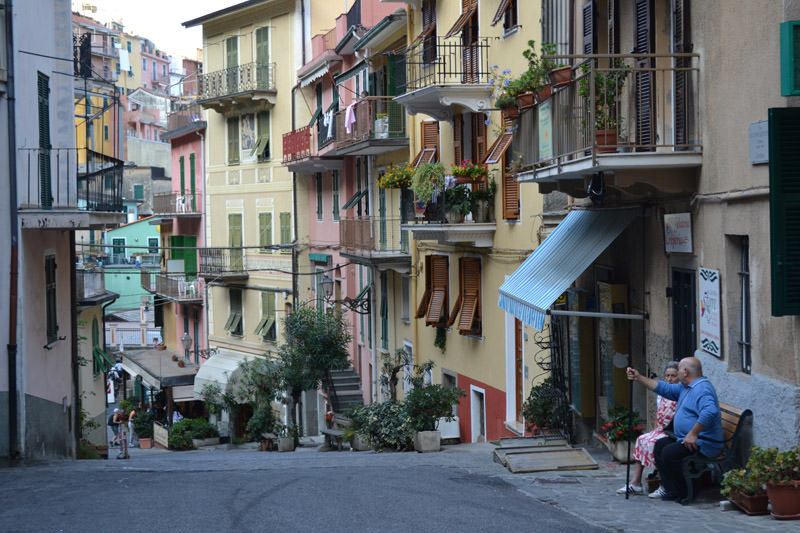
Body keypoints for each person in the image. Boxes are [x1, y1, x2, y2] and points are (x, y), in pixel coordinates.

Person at [626, 356, 722, 501]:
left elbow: (710, 411)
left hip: (704, 443)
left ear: (685, 372)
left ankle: (685, 492)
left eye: (678, 370)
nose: (676, 373)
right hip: (687, 439)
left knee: (670, 453)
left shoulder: (702, 389)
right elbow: (663, 387)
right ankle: (671, 488)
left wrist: (693, 433)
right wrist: (639, 378)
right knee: (660, 445)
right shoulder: (686, 387)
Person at [616, 362, 679, 496]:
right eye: (667, 376)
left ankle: (664, 484)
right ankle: (636, 482)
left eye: (673, 376)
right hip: (662, 430)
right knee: (641, 439)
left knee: (655, 444)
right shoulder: (662, 394)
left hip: (673, 432)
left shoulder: (679, 393)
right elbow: (659, 414)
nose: (670, 379)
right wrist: (655, 430)